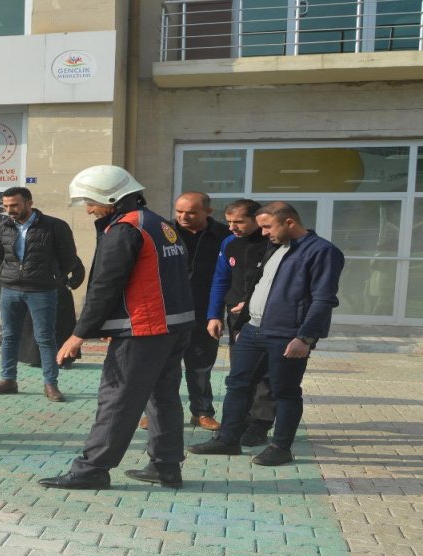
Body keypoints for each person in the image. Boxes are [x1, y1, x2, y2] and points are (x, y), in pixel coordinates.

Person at [38, 165, 194, 490]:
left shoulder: (125, 229)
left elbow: (105, 286)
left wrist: (78, 334)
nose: (88, 208)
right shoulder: (158, 223)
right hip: (175, 325)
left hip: (144, 330)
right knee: (163, 398)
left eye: (91, 201)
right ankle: (166, 466)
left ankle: (91, 469)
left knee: (117, 399)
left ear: (112, 198)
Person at [188, 201, 345, 466]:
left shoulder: (322, 251)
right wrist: (246, 308)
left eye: (267, 226)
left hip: (287, 334)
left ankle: (281, 447)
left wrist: (305, 337)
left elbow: (323, 299)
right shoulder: (275, 247)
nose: (263, 233)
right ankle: (228, 440)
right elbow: (261, 282)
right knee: (237, 385)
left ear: (289, 223)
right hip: (253, 328)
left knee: (285, 391)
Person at [139, 192, 232, 431]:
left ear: (208, 212)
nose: (183, 217)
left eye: (191, 212)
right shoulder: (163, 232)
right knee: (160, 366)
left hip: (204, 311)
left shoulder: (224, 236)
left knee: (200, 366)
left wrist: (220, 312)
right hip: (166, 311)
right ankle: (155, 413)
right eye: (179, 211)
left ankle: (202, 412)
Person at [0, 187, 81, 403]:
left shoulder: (55, 226)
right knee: (9, 336)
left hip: (42, 290)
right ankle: (8, 379)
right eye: (6, 206)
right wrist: (9, 275)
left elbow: (69, 258)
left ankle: (50, 384)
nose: (10, 210)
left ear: (29, 202)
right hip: (10, 289)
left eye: (15, 205)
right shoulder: (2, 228)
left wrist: (53, 277)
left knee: (45, 338)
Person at [206, 199, 276, 446]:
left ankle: (260, 424)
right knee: (241, 373)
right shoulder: (229, 243)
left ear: (256, 219)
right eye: (229, 222)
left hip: (267, 316)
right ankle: (238, 423)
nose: (232, 227)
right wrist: (214, 315)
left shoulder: (273, 243)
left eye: (239, 222)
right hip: (237, 317)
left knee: (266, 375)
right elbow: (221, 279)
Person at [17, 255, 86, 368]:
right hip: (37, 291)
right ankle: (36, 357)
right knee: (36, 325)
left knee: (62, 327)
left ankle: (64, 358)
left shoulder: (65, 252)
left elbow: (79, 271)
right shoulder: (36, 251)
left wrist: (69, 285)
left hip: (60, 294)